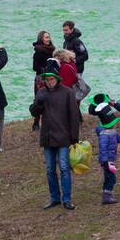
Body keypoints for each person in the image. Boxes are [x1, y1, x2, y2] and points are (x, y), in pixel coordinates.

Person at [30, 59, 81, 210]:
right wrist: (38, 103)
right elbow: (34, 112)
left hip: (63, 137)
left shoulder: (68, 92)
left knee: (64, 168)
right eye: (47, 79)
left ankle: (67, 199)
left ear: (57, 78)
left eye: (52, 78)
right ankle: (55, 198)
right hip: (47, 137)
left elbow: (74, 116)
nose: (49, 81)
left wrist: (74, 137)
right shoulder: (41, 92)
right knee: (50, 169)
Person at [89, 94, 120, 204]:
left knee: (108, 177)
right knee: (112, 178)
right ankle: (107, 197)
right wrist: (105, 160)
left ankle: (106, 194)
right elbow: (102, 148)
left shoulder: (112, 132)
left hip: (110, 160)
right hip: (107, 161)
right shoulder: (104, 134)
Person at [31, 31, 55, 131]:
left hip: (52, 77)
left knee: (52, 99)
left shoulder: (52, 50)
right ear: (41, 39)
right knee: (39, 100)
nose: (48, 39)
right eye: (46, 38)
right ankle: (36, 123)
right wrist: (45, 69)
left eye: (48, 37)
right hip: (41, 78)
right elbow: (35, 67)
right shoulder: (38, 52)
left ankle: (50, 121)